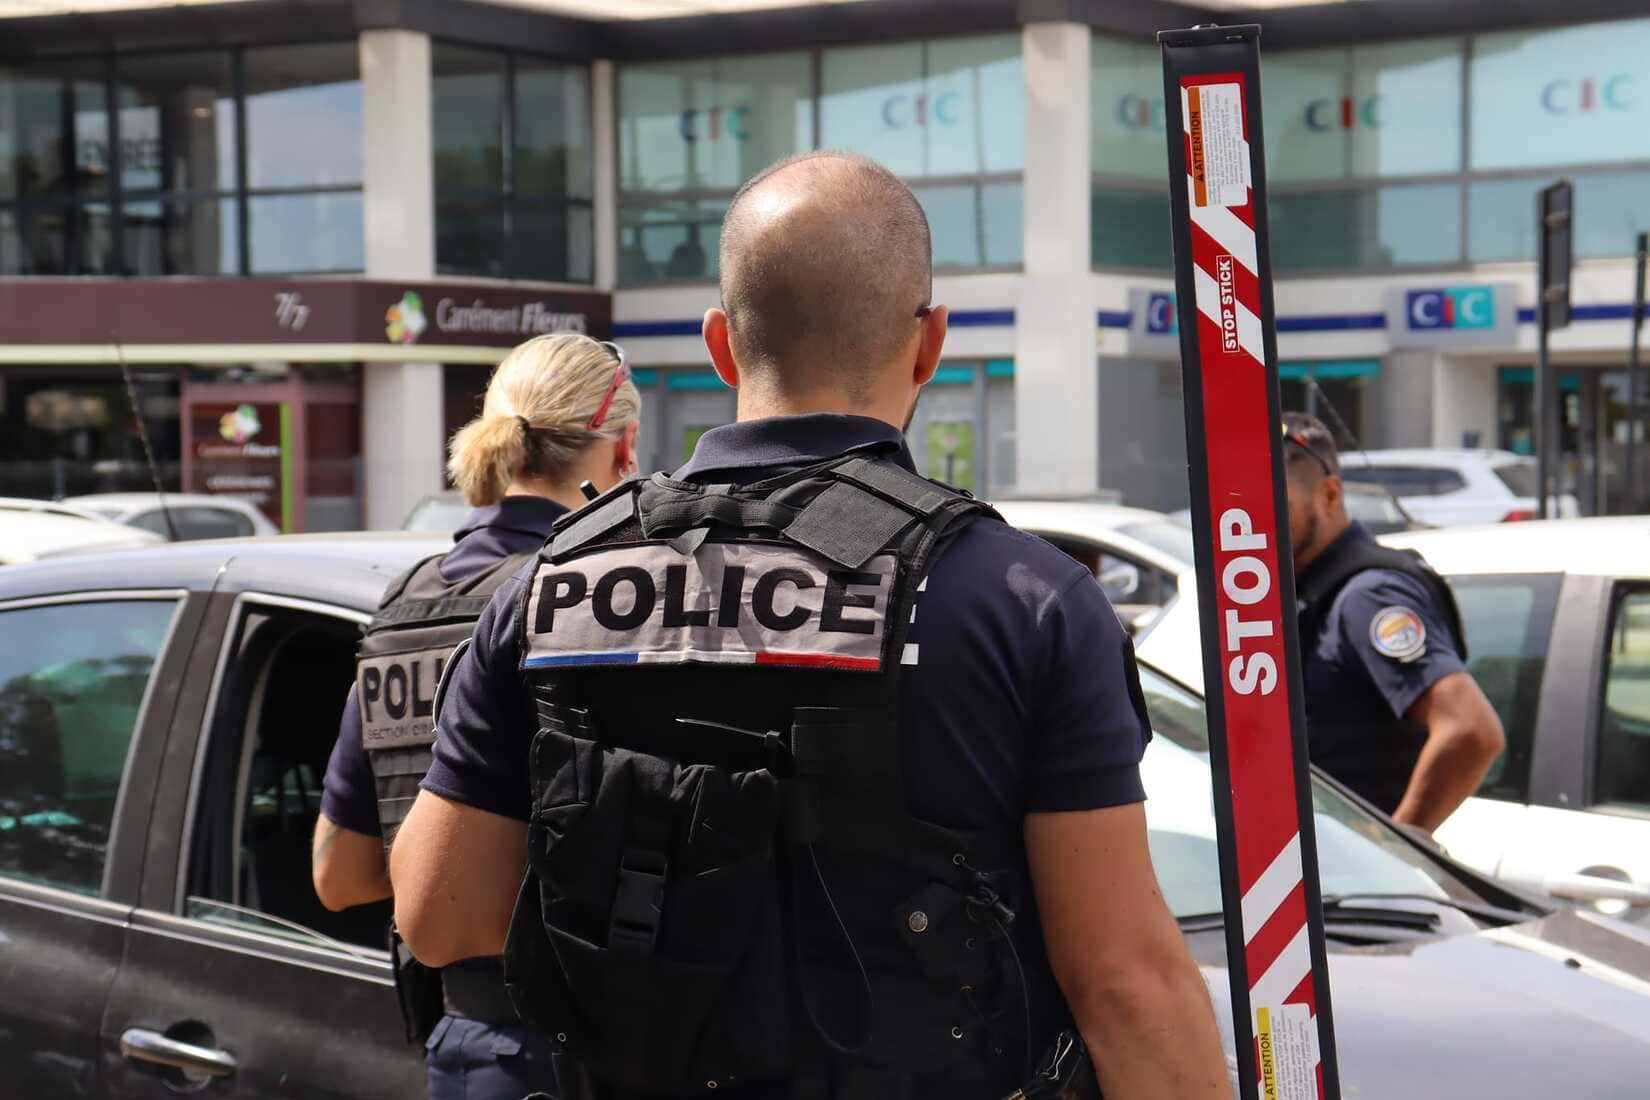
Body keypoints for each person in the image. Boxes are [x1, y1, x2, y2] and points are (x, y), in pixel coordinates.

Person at [391, 152, 1230, 1100]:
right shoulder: (1025, 602)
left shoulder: (551, 584)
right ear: (930, 345)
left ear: (721, 344)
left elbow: (438, 917)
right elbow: (1122, 979)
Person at [312, 332, 641, 1100]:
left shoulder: (403, 607)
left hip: (462, 1044)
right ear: (623, 449)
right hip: (585, 1045)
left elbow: (339, 875)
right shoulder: (594, 599)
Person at [1282, 412, 1505, 829]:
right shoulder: (1305, 590)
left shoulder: (1368, 596)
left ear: (1329, 495)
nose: (1261, 524)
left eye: (1280, 506)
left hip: (1359, 881)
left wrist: (1396, 849)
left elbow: (1471, 731)